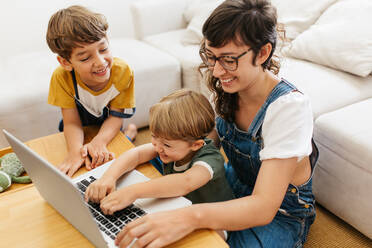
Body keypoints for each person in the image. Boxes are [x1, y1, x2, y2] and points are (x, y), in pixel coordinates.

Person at [113, 0, 319, 247]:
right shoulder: (229, 86)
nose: (218, 72)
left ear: (263, 53)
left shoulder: (289, 108)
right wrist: (125, 168)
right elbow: (199, 146)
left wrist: (187, 217)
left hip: (279, 215)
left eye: (229, 60)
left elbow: (263, 207)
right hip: (233, 182)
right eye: (211, 57)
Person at [84, 89, 234, 238]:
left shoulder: (210, 158)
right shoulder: (168, 145)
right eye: (154, 136)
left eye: (167, 145)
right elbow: (136, 154)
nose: (156, 146)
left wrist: (132, 192)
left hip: (215, 219)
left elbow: (185, 182)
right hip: (178, 207)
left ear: (195, 145)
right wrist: (108, 177)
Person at [46, 5, 137, 177]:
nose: (101, 62)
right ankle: (128, 134)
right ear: (66, 62)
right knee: (82, 157)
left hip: (109, 122)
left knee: (113, 151)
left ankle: (129, 134)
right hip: (79, 125)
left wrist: (99, 142)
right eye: (85, 57)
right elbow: (72, 122)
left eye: (103, 49)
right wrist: (75, 152)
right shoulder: (61, 77)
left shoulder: (122, 72)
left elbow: (116, 116)